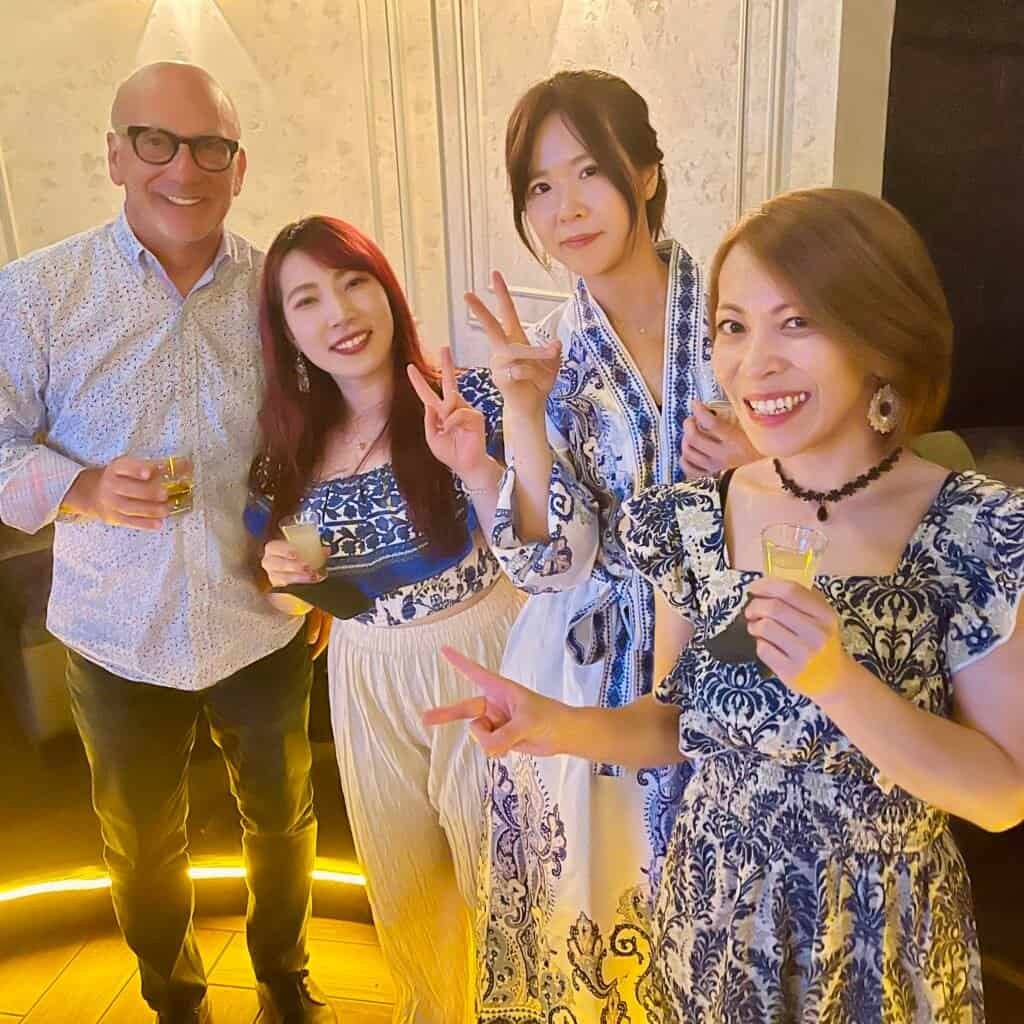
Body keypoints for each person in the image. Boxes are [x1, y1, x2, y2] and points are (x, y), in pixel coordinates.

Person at [427, 187, 1024, 1022]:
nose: (754, 363)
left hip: (874, 938)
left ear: (883, 335)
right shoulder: (694, 518)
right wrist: (550, 724)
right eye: (734, 327)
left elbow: (1001, 795)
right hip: (713, 924)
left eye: (798, 322)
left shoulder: (974, 529)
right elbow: (673, 726)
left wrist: (838, 681)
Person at [0, 63, 335, 1024]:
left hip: (258, 618)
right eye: (157, 142)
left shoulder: (278, 289)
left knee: (284, 817)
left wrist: (318, 573)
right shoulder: (36, 294)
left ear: (239, 166)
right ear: (116, 154)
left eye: (210, 148)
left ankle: (284, 980)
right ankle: (176, 1003)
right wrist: (82, 488)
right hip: (115, 629)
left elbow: (319, 443)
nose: (184, 169)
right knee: (140, 840)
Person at [435, 69, 754, 1021]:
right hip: (584, 668)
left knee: (725, 921)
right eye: (539, 186)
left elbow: (838, 461)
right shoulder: (542, 352)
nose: (565, 208)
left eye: (588, 172)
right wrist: (522, 412)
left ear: (646, 174)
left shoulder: (742, 316)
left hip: (736, 652)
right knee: (594, 926)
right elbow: (551, 564)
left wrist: (757, 464)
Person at [254, 215, 523, 1024]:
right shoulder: (287, 451)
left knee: (504, 874)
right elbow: (289, 596)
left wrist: (479, 464)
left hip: (482, 648)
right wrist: (287, 581)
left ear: (387, 291)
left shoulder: (465, 398)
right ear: (287, 331)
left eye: (353, 283)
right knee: (404, 879)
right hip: (366, 667)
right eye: (307, 300)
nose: (339, 313)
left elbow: (533, 547)